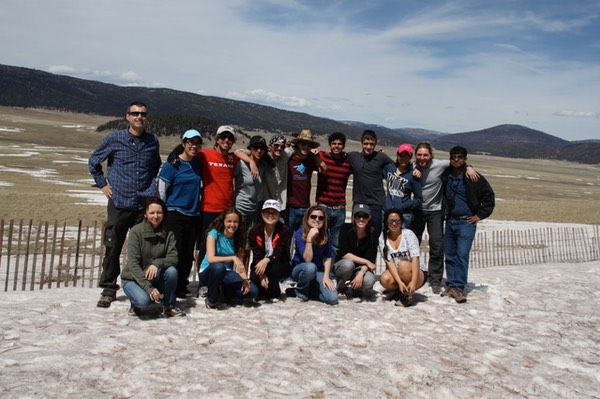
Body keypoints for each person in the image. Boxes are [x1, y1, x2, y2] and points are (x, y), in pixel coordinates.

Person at [89, 101, 161, 308]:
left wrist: (151, 187)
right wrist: (102, 184)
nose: (139, 117)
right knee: (113, 245)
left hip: (143, 205)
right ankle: (109, 288)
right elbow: (94, 161)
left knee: (145, 249)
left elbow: (155, 165)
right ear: (127, 116)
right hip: (120, 201)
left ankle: (142, 286)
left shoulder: (152, 141)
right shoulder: (114, 138)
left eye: (143, 114)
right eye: (135, 113)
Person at [411, 142, 478, 295]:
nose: (422, 158)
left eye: (425, 154)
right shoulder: (412, 167)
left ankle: (435, 279)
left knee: (437, 246)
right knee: (413, 244)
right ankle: (412, 275)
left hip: (435, 212)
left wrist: (469, 167)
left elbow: (457, 161)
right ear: (416, 156)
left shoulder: (440, 165)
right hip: (417, 211)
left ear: (431, 155)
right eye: (419, 155)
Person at [441, 146, 495, 303]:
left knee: (462, 255)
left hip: (466, 222)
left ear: (465, 159)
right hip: (450, 220)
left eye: (459, 157)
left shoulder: (473, 177)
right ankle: (451, 284)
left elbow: (489, 197)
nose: (456, 160)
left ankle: (459, 287)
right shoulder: (447, 174)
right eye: (453, 157)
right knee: (450, 255)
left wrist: (480, 215)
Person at [158, 129, 203, 298]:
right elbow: (162, 189)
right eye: (190, 142)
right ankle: (170, 285)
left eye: (197, 143)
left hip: (193, 215)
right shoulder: (172, 165)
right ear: (183, 143)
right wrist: (162, 212)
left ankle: (181, 285)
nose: (194, 146)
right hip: (175, 213)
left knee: (187, 254)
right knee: (174, 252)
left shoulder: (197, 162)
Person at [121, 197, 184, 317]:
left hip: (154, 275)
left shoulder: (168, 232)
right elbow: (133, 264)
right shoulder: (136, 231)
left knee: (171, 271)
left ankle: (169, 306)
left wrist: (157, 263)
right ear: (145, 214)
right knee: (144, 302)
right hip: (133, 278)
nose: (156, 216)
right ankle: (135, 303)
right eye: (152, 213)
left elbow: (173, 258)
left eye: (159, 212)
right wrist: (149, 288)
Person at [198, 207, 258, 309]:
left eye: (235, 222)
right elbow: (211, 259)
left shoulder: (238, 237)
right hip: (209, 270)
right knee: (219, 267)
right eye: (229, 221)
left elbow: (240, 264)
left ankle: (224, 293)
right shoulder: (214, 234)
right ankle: (211, 300)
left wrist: (245, 280)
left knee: (253, 291)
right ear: (223, 221)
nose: (232, 225)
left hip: (226, 272)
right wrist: (233, 258)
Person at [347, 130, 393, 240]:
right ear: (361, 143)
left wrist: (414, 170)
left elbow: (398, 168)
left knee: (374, 236)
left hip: (377, 203)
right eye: (366, 143)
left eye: (372, 144)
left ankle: (370, 257)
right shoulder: (353, 156)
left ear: (375, 144)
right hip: (359, 201)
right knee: (356, 234)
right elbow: (335, 156)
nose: (368, 146)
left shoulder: (382, 158)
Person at [315, 132, 353, 262]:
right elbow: (305, 151)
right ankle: (318, 268)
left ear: (343, 145)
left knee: (336, 244)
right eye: (334, 143)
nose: (336, 146)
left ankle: (331, 273)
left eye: (339, 144)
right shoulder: (321, 156)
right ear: (330, 145)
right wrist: (316, 156)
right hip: (323, 207)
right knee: (319, 239)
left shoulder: (348, 161)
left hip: (339, 209)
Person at [379, 208, 428, 307]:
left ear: (401, 222)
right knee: (384, 279)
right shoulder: (382, 238)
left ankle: (407, 296)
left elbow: (415, 259)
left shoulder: (408, 234)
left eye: (397, 221)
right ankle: (400, 290)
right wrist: (399, 282)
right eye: (390, 221)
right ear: (386, 222)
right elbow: (390, 262)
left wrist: (414, 281)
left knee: (403, 265)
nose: (394, 224)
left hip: (416, 272)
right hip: (398, 271)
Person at [290, 205, 338, 305]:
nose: (317, 220)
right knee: (310, 267)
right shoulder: (300, 232)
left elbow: (328, 257)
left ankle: (311, 290)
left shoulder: (326, 233)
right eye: (313, 217)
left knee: (332, 299)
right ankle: (301, 290)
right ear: (307, 219)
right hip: (301, 270)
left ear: (324, 221)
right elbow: (307, 259)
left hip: (318, 271)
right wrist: (309, 239)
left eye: (321, 218)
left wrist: (326, 276)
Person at [248, 199, 291, 301]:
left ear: (279, 215)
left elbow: (280, 252)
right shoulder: (254, 231)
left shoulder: (284, 230)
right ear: (262, 213)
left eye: (274, 212)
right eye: (267, 212)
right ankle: (261, 290)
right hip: (260, 261)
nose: (270, 215)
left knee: (273, 270)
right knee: (256, 275)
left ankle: (274, 292)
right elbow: (256, 253)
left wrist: (267, 260)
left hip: (278, 262)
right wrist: (262, 273)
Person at [334, 204, 378, 300]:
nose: (361, 219)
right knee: (348, 264)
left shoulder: (373, 234)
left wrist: (361, 273)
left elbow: (370, 259)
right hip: (343, 265)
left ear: (369, 217)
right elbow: (344, 254)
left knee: (369, 280)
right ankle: (341, 287)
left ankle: (356, 288)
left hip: (360, 268)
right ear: (353, 217)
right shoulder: (345, 228)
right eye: (358, 215)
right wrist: (366, 262)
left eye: (365, 216)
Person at [286, 129, 321, 233]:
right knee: (286, 239)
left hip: (306, 207)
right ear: (298, 144)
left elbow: (324, 167)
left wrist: (315, 156)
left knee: (302, 239)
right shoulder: (289, 158)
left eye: (309, 144)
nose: (306, 146)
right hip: (290, 206)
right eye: (303, 143)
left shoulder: (311, 161)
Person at [383, 143, 422, 229]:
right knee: (385, 239)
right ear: (397, 155)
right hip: (387, 212)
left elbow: (419, 199)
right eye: (401, 155)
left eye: (406, 156)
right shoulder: (389, 168)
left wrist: (403, 206)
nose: (403, 159)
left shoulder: (413, 175)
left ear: (410, 157)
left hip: (403, 215)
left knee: (402, 239)